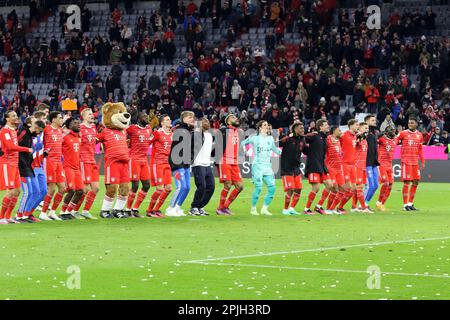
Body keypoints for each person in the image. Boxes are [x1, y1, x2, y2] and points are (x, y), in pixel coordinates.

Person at [97, 104, 132, 219]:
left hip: (125, 163)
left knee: (126, 188)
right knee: (112, 188)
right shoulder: (105, 131)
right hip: (112, 163)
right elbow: (93, 140)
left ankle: (117, 210)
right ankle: (105, 210)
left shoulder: (123, 132)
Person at [0, 111, 33, 224]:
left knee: (17, 191)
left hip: (14, 164)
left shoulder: (13, 131)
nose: (16, 117)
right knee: (10, 191)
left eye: (16, 115)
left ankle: (8, 216)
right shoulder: (4, 131)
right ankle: (1, 218)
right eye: (13, 116)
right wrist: (26, 149)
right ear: (7, 119)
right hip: (7, 163)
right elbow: (9, 147)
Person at [241, 120, 281, 216]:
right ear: (260, 128)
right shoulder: (254, 138)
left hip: (267, 166)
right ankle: (253, 209)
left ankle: (264, 209)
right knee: (258, 188)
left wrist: (282, 152)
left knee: (272, 188)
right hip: (257, 165)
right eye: (265, 125)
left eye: (267, 125)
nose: (267, 127)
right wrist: (244, 151)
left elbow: (274, 149)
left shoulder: (271, 138)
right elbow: (242, 143)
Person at [16, 116, 45, 223]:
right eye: (39, 131)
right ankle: (19, 215)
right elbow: (13, 146)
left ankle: (26, 214)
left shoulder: (29, 136)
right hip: (21, 166)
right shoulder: (23, 132)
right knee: (28, 192)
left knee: (36, 191)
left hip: (27, 165)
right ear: (35, 127)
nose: (38, 134)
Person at [167, 111, 196, 216]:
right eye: (189, 117)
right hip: (177, 162)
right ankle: (170, 208)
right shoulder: (178, 129)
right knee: (181, 186)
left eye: (192, 117)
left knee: (187, 187)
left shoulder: (189, 131)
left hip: (186, 163)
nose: (191, 119)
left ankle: (177, 207)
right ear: (183, 118)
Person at [40, 111, 67, 221]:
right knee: (51, 188)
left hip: (58, 162)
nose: (62, 120)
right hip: (49, 161)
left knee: (62, 188)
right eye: (60, 118)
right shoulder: (46, 129)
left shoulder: (60, 130)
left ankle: (52, 212)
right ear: (54, 119)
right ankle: (43, 212)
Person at [125, 111, 153, 218]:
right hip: (134, 159)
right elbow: (123, 134)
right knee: (135, 185)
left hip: (144, 160)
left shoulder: (149, 129)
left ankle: (135, 209)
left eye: (147, 115)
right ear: (138, 118)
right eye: (144, 116)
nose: (147, 117)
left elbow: (149, 140)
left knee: (146, 185)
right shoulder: (132, 128)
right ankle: (127, 209)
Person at [303, 119, 334, 215]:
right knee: (316, 188)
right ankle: (307, 209)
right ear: (320, 127)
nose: (328, 126)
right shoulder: (315, 136)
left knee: (330, 185)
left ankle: (318, 206)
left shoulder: (324, 138)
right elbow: (304, 139)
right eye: (326, 125)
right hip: (313, 165)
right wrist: (309, 133)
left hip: (321, 165)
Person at [146, 114, 173, 218]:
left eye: (169, 119)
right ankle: (149, 210)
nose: (170, 121)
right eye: (167, 119)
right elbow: (147, 142)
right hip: (157, 163)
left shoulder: (171, 134)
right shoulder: (157, 133)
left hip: (166, 164)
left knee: (169, 188)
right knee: (159, 189)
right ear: (162, 123)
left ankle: (156, 210)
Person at [395, 118, 425, 211]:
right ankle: (405, 205)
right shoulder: (403, 133)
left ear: (416, 124)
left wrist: (422, 161)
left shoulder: (419, 135)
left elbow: (420, 149)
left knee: (416, 182)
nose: (409, 124)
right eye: (409, 123)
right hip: (406, 161)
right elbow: (395, 141)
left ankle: (410, 203)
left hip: (415, 162)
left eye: (412, 123)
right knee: (407, 182)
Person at [59, 118, 85, 220]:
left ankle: (68, 211)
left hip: (76, 168)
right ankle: (62, 212)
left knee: (80, 191)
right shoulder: (65, 137)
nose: (78, 124)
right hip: (67, 167)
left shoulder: (79, 137)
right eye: (75, 123)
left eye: (79, 123)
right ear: (69, 125)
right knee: (71, 190)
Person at [76, 108, 99, 219]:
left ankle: (85, 211)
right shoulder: (80, 128)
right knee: (84, 189)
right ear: (84, 116)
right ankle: (74, 211)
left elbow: (95, 140)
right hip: (84, 160)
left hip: (92, 160)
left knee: (95, 188)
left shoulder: (94, 127)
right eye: (89, 114)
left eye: (92, 114)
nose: (92, 116)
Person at [279, 122, 306, 215]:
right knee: (290, 189)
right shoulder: (288, 139)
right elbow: (277, 144)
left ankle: (292, 208)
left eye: (303, 128)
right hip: (287, 168)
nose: (303, 130)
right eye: (300, 128)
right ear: (295, 129)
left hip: (296, 168)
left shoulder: (303, 140)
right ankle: (285, 209)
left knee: (298, 189)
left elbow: (306, 151)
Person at [190, 117, 215, 216]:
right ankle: (194, 207)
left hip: (207, 164)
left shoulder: (209, 135)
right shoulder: (196, 135)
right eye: (204, 121)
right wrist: (196, 126)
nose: (207, 123)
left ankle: (200, 206)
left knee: (211, 187)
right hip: (198, 163)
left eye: (208, 121)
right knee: (202, 186)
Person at [322, 126, 347, 214]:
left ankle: (332, 209)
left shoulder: (338, 141)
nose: (341, 132)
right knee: (334, 188)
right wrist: (329, 137)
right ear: (333, 131)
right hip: (331, 168)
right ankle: (328, 209)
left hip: (339, 169)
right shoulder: (328, 139)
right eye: (339, 130)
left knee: (343, 189)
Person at [336, 119, 359, 213]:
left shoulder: (355, 137)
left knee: (354, 188)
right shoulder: (344, 135)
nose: (358, 126)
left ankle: (340, 207)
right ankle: (333, 207)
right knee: (347, 188)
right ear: (351, 126)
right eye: (356, 125)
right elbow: (334, 139)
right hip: (344, 164)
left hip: (352, 165)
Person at [376, 127, 396, 211]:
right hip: (382, 165)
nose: (393, 132)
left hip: (389, 165)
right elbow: (375, 138)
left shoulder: (394, 141)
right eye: (391, 130)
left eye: (393, 130)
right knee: (386, 183)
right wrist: (381, 133)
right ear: (387, 132)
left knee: (390, 185)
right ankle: (378, 202)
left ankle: (382, 204)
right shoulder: (382, 139)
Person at [354, 122, 372, 213]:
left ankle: (354, 207)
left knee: (358, 188)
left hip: (363, 166)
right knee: (359, 187)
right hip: (357, 166)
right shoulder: (358, 138)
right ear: (360, 129)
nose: (367, 130)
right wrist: (359, 136)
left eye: (368, 128)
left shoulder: (365, 140)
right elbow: (355, 142)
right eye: (365, 128)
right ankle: (363, 207)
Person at [364, 115, 380, 208]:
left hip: (374, 163)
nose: (375, 121)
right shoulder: (365, 133)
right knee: (370, 185)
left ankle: (366, 204)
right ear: (367, 122)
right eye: (372, 120)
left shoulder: (374, 133)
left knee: (375, 186)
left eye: (375, 120)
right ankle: (362, 205)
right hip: (367, 163)